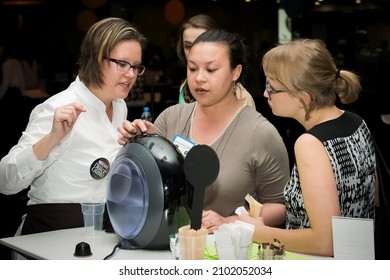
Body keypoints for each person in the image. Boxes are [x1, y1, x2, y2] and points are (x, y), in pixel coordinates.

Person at [119, 29, 290, 233]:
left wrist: (231, 222)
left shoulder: (261, 133)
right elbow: (146, 188)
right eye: (192, 69)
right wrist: (141, 144)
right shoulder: (170, 118)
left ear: (236, 72)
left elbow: (279, 206)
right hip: (168, 246)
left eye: (211, 70)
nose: (199, 78)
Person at [0, 17, 147, 236]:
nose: (131, 74)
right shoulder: (57, 108)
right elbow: (5, 181)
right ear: (96, 59)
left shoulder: (119, 106)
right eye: (122, 64)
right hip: (51, 229)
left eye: (136, 67)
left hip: (100, 228)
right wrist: (52, 138)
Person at [238, 38, 377, 257]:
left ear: (303, 98)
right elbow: (371, 200)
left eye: (271, 88)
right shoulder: (357, 122)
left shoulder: (310, 144)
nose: (265, 94)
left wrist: (259, 231)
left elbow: (325, 242)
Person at [176, 14, 256, 108]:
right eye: (188, 46)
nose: (195, 51)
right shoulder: (185, 86)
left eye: (211, 70)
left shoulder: (241, 98)